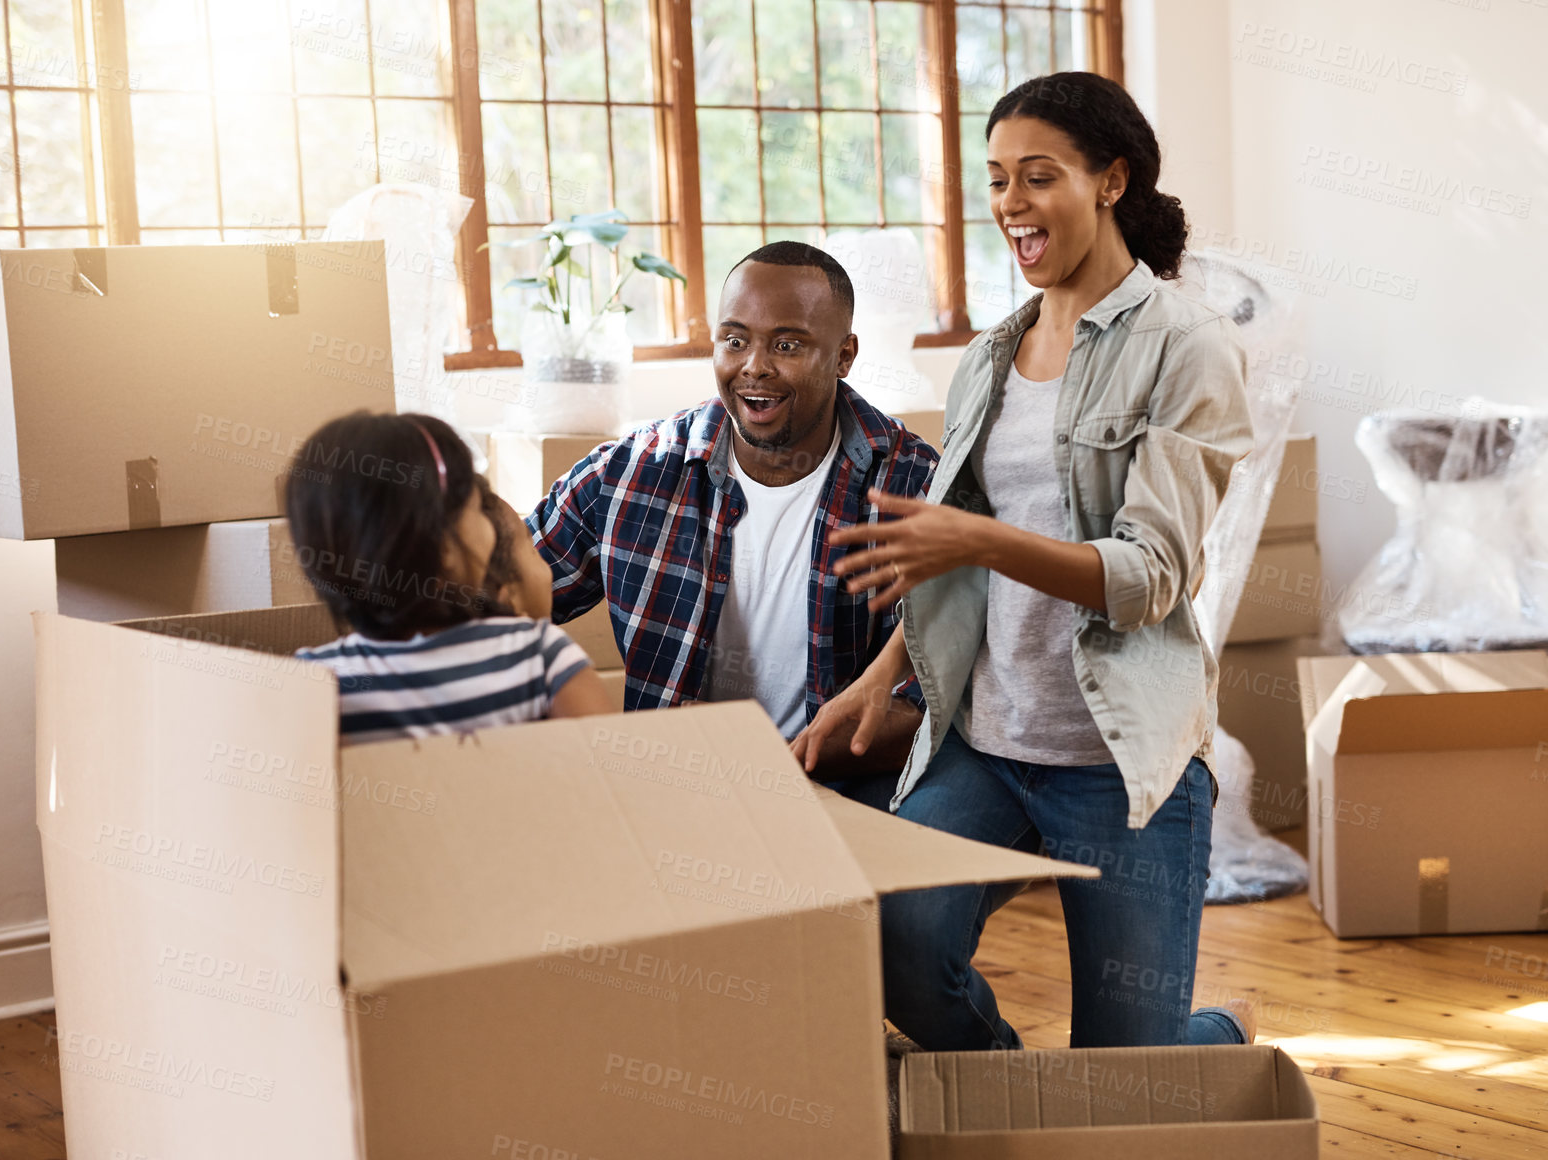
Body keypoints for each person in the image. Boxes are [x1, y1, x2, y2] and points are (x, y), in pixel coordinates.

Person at [792, 72, 1257, 1051]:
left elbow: (1148, 577)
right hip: (987, 741)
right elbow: (959, 563)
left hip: (1121, 761)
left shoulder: (1188, 347)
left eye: (1036, 176)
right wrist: (881, 679)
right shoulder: (990, 355)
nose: (1008, 202)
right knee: (897, 946)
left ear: (1110, 180)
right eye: (996, 178)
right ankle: (1006, 1090)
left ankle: (1203, 1042)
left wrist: (974, 539)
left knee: (1125, 1079)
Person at [527, 241, 938, 781]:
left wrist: (763, 753)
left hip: (838, 785)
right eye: (735, 340)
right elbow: (496, 596)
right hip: (673, 783)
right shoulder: (632, 471)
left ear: (844, 355)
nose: (755, 367)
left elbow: (927, 700)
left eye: (787, 345)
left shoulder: (915, 486)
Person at [285, 411, 611, 744]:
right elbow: (608, 779)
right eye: (476, 509)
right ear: (444, 548)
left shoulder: (314, 684)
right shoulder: (540, 659)